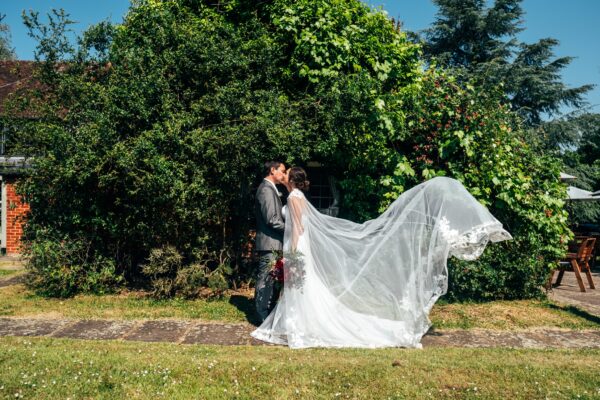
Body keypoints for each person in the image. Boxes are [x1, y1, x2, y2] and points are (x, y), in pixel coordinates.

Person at [252, 167, 512, 348]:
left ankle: (302, 327)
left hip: (298, 246)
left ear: (292, 180)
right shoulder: (296, 195)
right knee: (303, 288)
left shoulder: (295, 197)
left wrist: (293, 254)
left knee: (303, 288)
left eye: (286, 173)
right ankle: (298, 325)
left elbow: (297, 228)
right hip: (297, 246)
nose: (282, 174)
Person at [254, 161, 287, 322]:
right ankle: (261, 316)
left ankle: (267, 314)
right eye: (282, 171)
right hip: (269, 243)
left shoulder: (272, 189)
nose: (283, 174)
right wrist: (291, 229)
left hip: (274, 242)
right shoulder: (266, 189)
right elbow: (272, 220)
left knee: (271, 280)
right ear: (272, 170)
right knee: (265, 279)